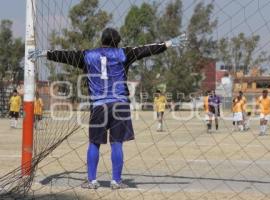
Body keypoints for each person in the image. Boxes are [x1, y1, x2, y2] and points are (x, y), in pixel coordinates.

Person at [29, 28, 187, 189]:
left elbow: (65, 55)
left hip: (99, 106)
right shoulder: (124, 53)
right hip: (120, 105)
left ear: (101, 40)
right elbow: (146, 49)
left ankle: (92, 181)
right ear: (117, 42)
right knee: (117, 143)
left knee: (94, 143)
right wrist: (169, 43)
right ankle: (116, 181)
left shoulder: (87, 55)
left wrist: (44, 53)